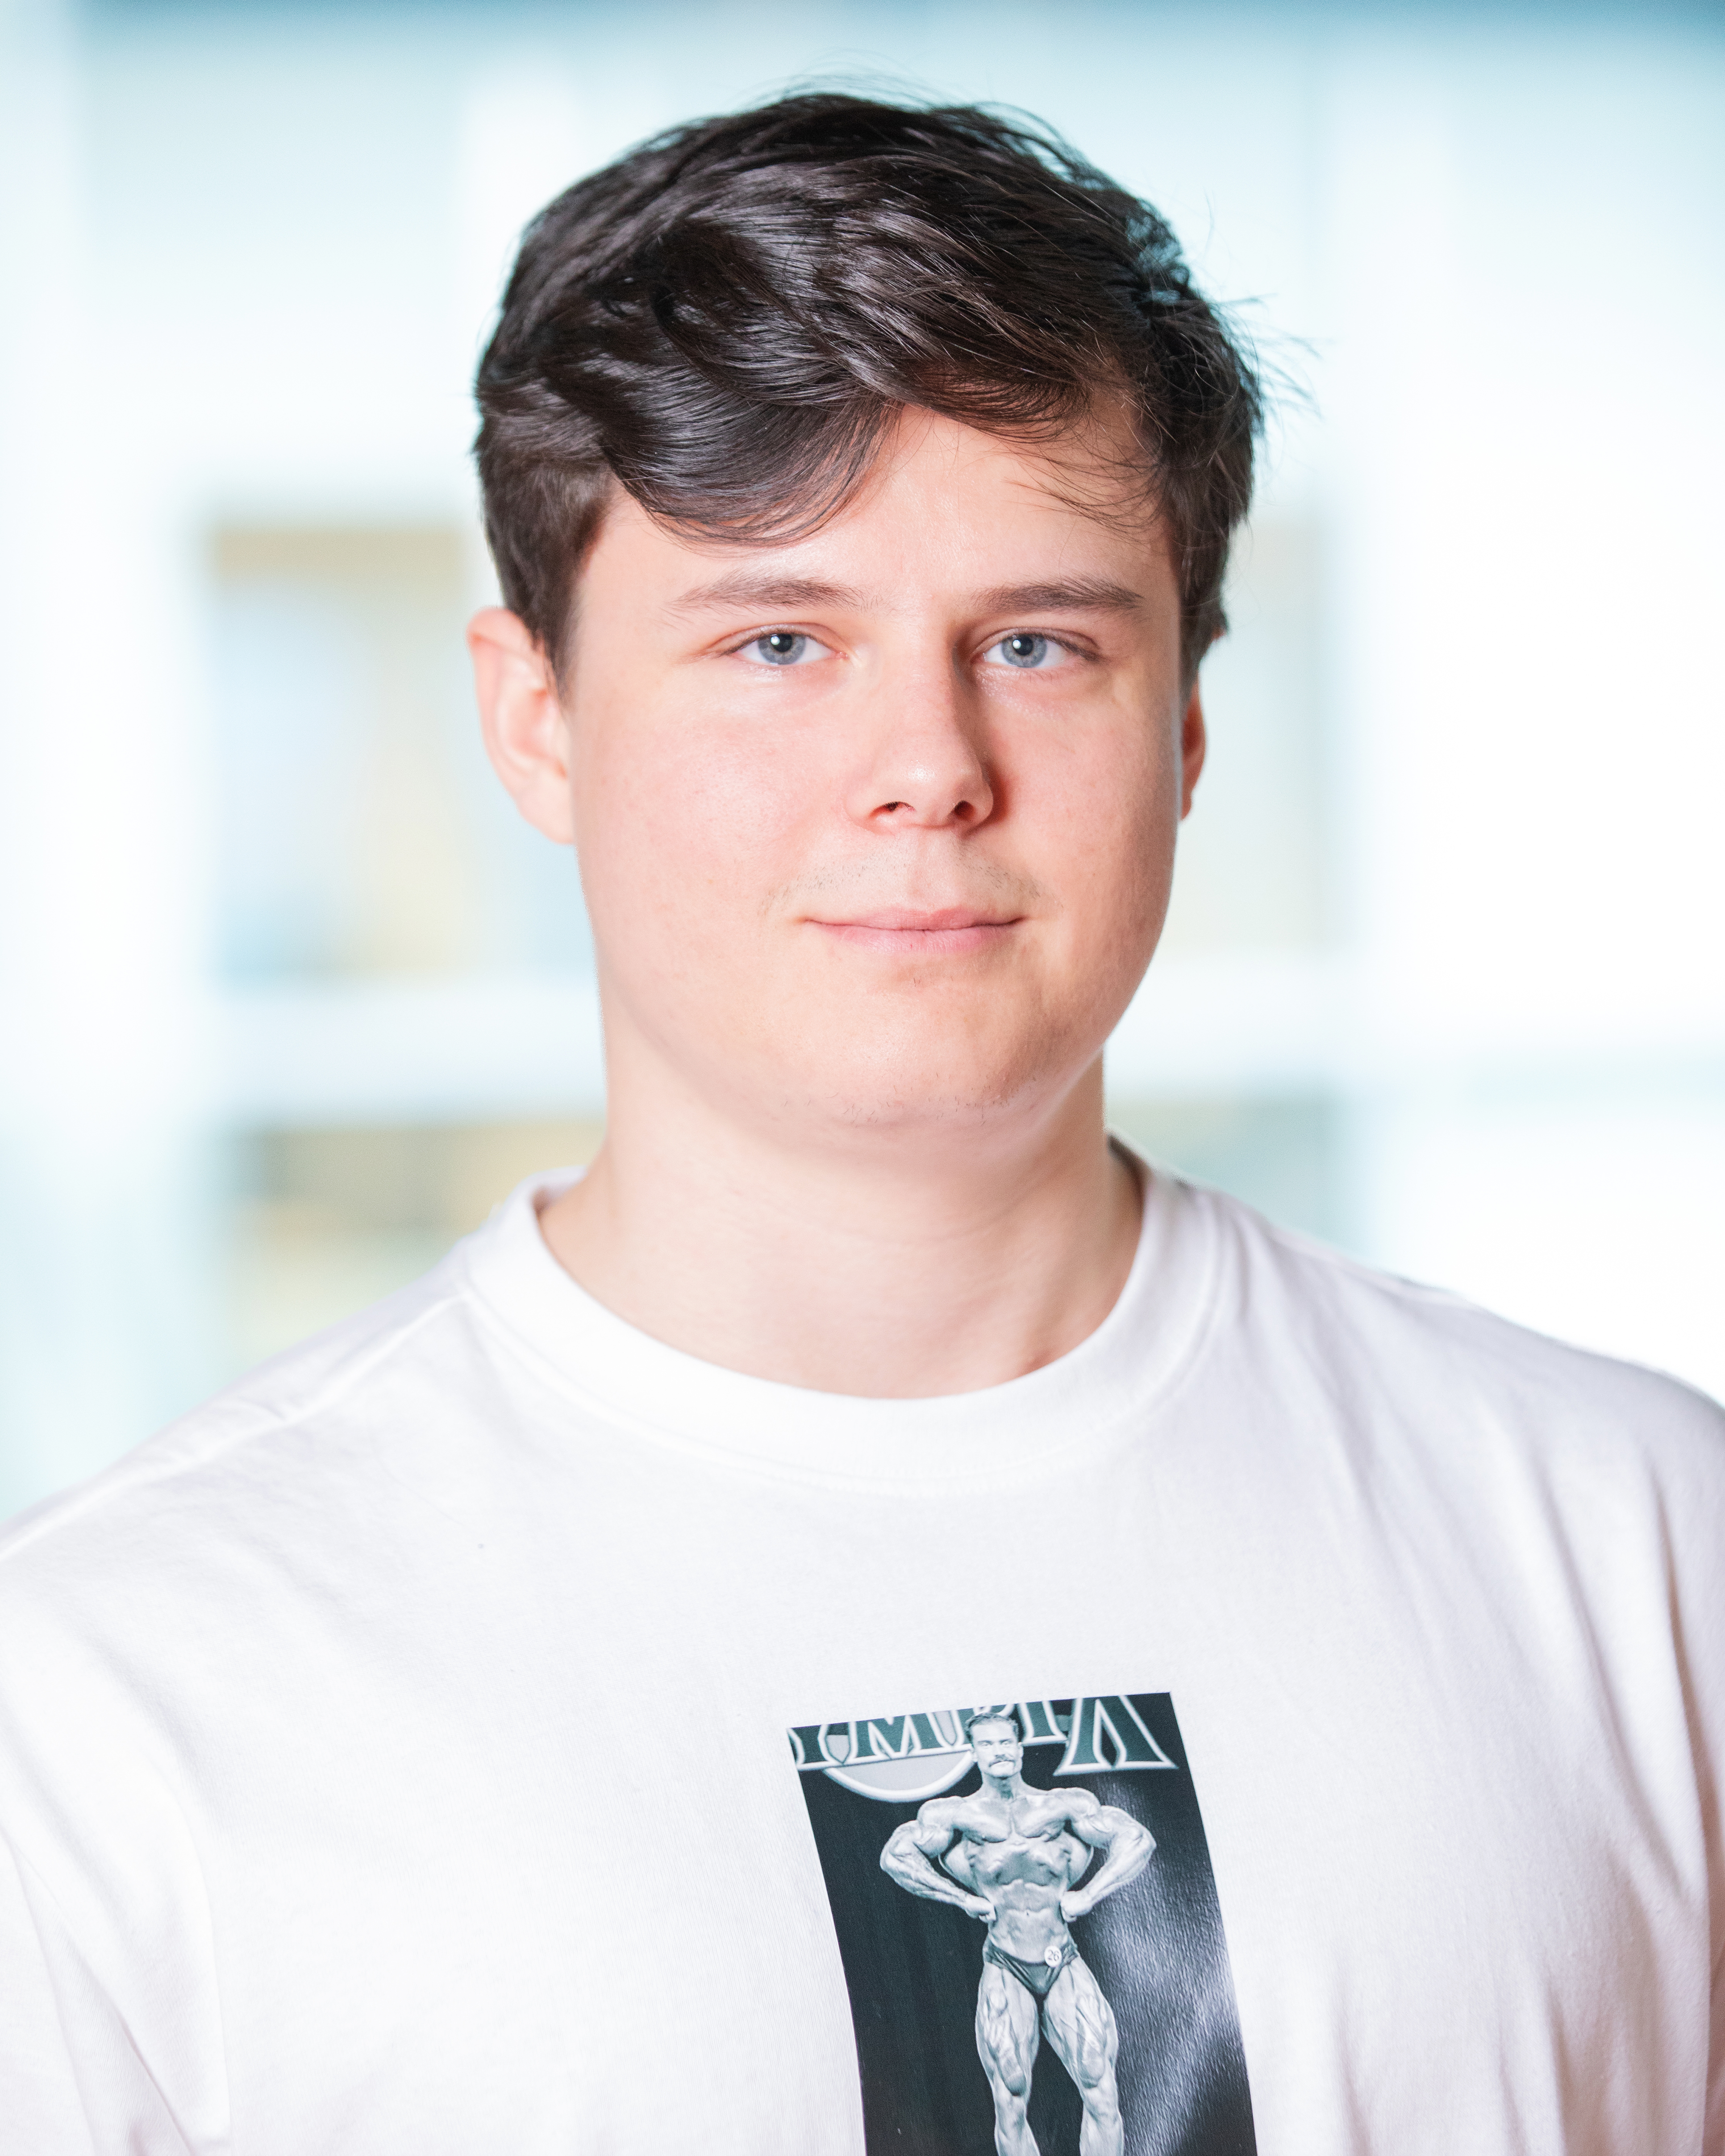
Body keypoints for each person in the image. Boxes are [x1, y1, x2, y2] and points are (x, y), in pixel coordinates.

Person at [0, 91, 1720, 2156]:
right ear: (533, 715)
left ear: (1182, 730)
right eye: (780, 641)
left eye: (1034, 642)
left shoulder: (1646, 1543)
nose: (927, 766)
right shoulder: (108, 1697)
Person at [881, 1710, 1153, 2156]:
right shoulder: (955, 1814)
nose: (1000, 1752)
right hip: (1005, 1962)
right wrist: (960, 1898)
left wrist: (1092, 1893)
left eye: (1006, 1742)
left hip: (1062, 1957)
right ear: (973, 1753)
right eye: (988, 1744)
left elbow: (1137, 1839)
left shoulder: (1064, 1805)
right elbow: (896, 1857)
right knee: (1010, 2096)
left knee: (1100, 2086)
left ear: (1020, 1749)